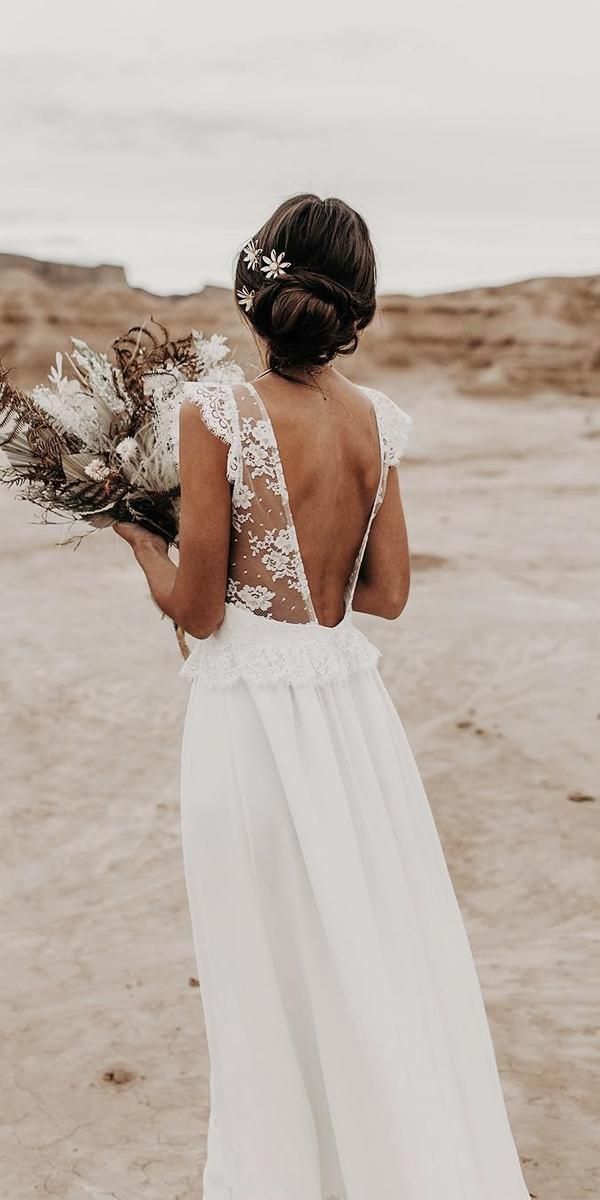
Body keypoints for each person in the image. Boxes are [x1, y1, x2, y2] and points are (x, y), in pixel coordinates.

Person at [114, 193, 531, 1199]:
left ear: (254, 289)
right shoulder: (377, 421)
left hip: (251, 721)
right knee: (365, 949)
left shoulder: (216, 411)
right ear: (358, 307)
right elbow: (384, 594)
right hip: (350, 720)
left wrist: (139, 537)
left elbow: (201, 612)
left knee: (267, 971)